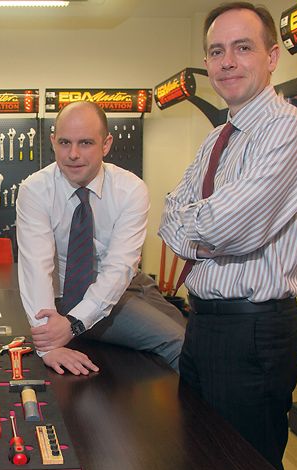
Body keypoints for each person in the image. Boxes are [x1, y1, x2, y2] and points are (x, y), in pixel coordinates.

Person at [158, 3, 297, 470]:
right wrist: (203, 227)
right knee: (201, 455)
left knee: (244, 465)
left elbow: (229, 228)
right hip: (203, 323)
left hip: (252, 332)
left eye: (242, 48)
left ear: (272, 57)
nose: (227, 61)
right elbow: (169, 216)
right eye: (217, 51)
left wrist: (200, 226)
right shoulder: (218, 138)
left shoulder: (287, 131)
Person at [16, 101, 185, 376]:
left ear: (106, 145)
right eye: (64, 142)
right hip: (70, 293)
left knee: (187, 329)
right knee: (178, 343)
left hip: (128, 283)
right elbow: (36, 267)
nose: (73, 154)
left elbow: (119, 267)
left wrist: (73, 325)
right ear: (53, 141)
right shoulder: (34, 190)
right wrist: (50, 341)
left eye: (85, 143)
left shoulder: (130, 189)